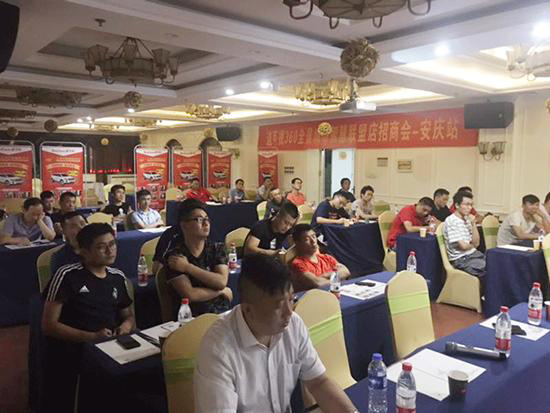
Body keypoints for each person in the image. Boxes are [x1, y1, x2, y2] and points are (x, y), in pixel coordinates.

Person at [194, 254, 358, 413]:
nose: (289, 312)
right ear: (248, 309)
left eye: (291, 299)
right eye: (278, 305)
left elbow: (318, 382)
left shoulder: (293, 324)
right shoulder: (218, 350)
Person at [41, 223, 134, 412]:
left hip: (112, 344)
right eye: (101, 247)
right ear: (83, 251)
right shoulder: (67, 275)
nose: (110, 251)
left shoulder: (118, 277)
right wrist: (91, 337)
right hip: (76, 347)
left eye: (112, 244)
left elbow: (128, 316)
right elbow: (49, 325)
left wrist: (125, 326)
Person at [163, 199, 232, 318]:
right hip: (191, 318)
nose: (205, 223)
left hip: (221, 313)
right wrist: (221, 292)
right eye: (199, 219)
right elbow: (190, 295)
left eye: (207, 219)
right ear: (184, 225)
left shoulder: (217, 248)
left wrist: (188, 267)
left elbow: (221, 282)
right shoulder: (176, 256)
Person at [291, 224, 350, 291]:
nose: (313, 241)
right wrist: (337, 278)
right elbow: (318, 283)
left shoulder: (326, 257)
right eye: (307, 239)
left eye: (314, 236)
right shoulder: (298, 264)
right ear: (297, 243)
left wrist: (325, 275)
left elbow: (345, 271)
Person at [443, 191, 485, 278]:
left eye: (471, 205)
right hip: (462, 259)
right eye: (467, 204)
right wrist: (472, 245)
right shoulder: (452, 221)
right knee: (492, 270)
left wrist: (473, 224)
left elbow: (477, 243)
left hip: (474, 254)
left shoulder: (467, 219)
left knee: (497, 264)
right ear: (457, 205)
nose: (470, 208)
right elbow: (463, 246)